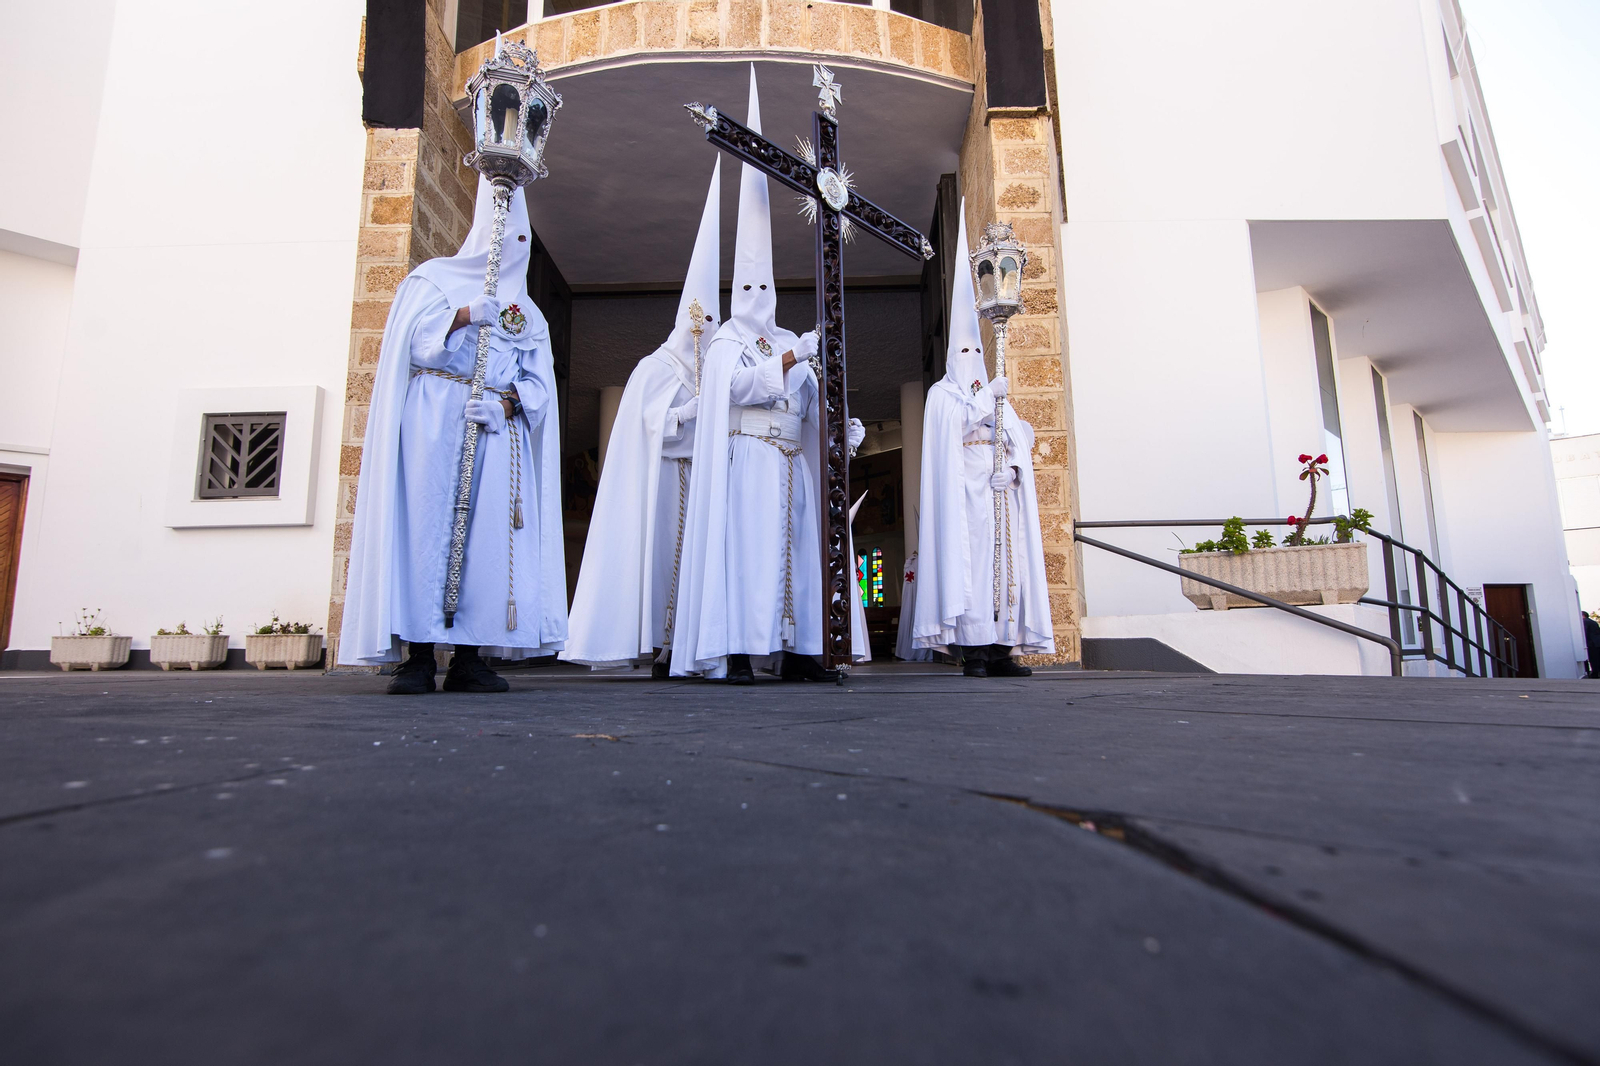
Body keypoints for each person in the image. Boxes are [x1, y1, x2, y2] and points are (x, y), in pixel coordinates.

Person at [669, 67, 866, 685]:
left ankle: (805, 648)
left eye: (764, 284)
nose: (756, 293)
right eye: (746, 284)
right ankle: (734, 650)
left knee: (800, 554)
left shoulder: (788, 336)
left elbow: (807, 403)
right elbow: (732, 387)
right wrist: (788, 362)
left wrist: (839, 424)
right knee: (748, 553)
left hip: (790, 462)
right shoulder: (726, 339)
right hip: (747, 458)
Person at [340, 176, 567, 694]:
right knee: (425, 530)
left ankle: (470, 657)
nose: (512, 249)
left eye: (521, 241)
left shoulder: (529, 314)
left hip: (492, 427)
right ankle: (417, 657)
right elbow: (415, 349)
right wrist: (464, 316)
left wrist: (506, 404)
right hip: (432, 422)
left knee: (487, 540)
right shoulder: (433, 281)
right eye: (503, 236)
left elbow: (539, 384)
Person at [563, 159, 722, 677]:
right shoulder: (653, 368)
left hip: (706, 481)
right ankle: (660, 644)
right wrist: (683, 414)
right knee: (662, 563)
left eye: (711, 329)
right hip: (666, 482)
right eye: (698, 328)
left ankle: (697, 645)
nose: (703, 339)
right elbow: (640, 427)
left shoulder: (720, 371)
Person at [912, 204, 1054, 676]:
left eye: (978, 349)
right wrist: (981, 406)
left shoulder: (997, 389)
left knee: (1006, 565)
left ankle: (1002, 649)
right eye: (965, 350)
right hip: (963, 496)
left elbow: (1017, 436)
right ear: (954, 354)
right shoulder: (941, 395)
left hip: (999, 493)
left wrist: (1012, 468)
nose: (973, 357)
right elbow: (951, 433)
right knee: (970, 568)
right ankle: (973, 650)